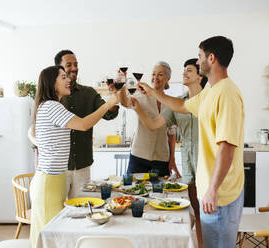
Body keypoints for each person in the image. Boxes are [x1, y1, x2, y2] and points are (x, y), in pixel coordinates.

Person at [138, 36, 244, 248]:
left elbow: (227, 147)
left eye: (199, 57)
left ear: (211, 58)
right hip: (210, 192)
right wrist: (153, 93)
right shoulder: (211, 92)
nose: (197, 62)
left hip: (221, 195)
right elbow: (181, 105)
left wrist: (213, 189)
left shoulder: (227, 93)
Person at [29, 65, 119, 247]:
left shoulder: (49, 106)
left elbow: (33, 132)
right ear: (51, 83)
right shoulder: (52, 106)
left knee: (52, 236)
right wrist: (108, 104)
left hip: (53, 179)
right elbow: (84, 124)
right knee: (50, 238)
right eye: (63, 77)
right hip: (49, 183)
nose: (68, 80)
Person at [131, 58, 207, 247]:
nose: (184, 72)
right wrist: (138, 108)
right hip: (189, 164)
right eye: (184, 69)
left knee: (208, 214)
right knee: (195, 212)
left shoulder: (210, 99)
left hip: (206, 163)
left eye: (189, 70)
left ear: (200, 76)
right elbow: (153, 124)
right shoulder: (178, 102)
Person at [54, 50, 119, 199]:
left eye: (76, 64)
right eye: (69, 64)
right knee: (58, 211)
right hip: (59, 167)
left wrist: (114, 97)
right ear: (58, 68)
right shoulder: (52, 97)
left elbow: (110, 113)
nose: (74, 68)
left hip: (82, 165)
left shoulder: (88, 93)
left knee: (81, 208)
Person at [119, 61, 180, 177]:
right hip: (139, 156)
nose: (155, 77)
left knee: (160, 193)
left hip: (161, 158)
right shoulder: (140, 96)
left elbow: (171, 134)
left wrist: (172, 159)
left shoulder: (170, 102)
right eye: (153, 74)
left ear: (168, 78)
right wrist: (122, 83)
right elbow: (124, 102)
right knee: (132, 191)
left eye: (160, 74)